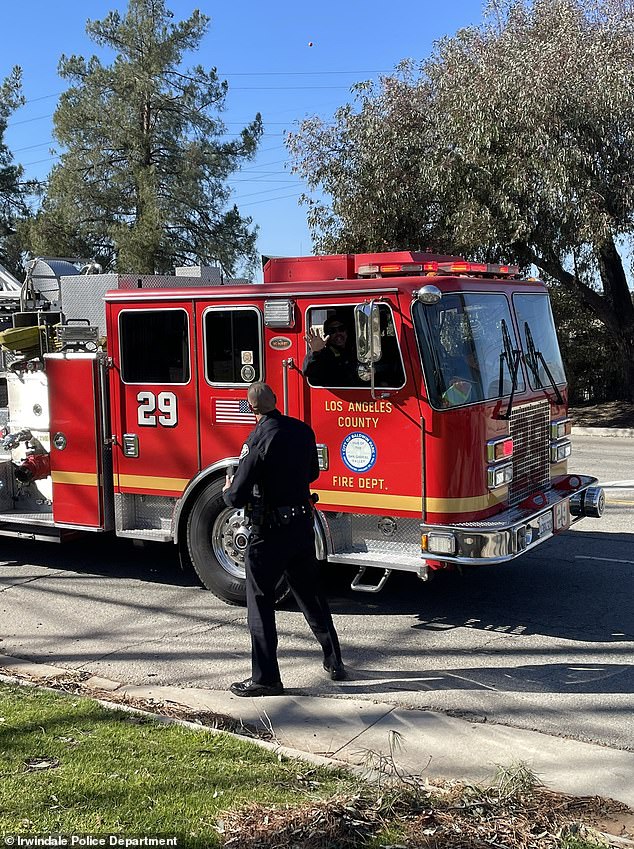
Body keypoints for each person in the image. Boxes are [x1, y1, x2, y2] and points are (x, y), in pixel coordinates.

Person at [223, 382, 346, 697]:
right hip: (302, 526)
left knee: (260, 603)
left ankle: (266, 679)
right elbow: (312, 474)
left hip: (269, 533)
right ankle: (335, 661)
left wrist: (227, 491)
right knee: (311, 596)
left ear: (251, 408)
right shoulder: (302, 430)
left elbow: (237, 496)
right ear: (275, 401)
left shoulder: (258, 438)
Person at [303, 314, 361, 387]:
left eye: (341, 329)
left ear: (347, 332)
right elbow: (309, 371)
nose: (338, 333)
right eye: (332, 331)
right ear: (327, 335)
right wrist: (315, 352)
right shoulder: (325, 353)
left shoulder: (356, 350)